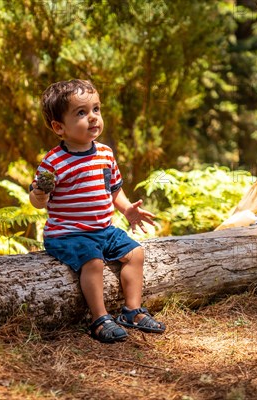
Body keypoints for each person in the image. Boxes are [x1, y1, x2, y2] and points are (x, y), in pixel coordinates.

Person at [29, 79, 166, 343]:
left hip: (103, 229)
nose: (93, 118)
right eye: (81, 113)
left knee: (135, 252)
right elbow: (38, 200)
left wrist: (127, 210)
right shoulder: (53, 161)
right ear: (59, 127)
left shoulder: (105, 153)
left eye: (96, 109)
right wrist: (39, 194)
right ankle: (99, 318)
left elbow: (114, 189)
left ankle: (132, 311)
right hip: (68, 234)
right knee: (93, 263)